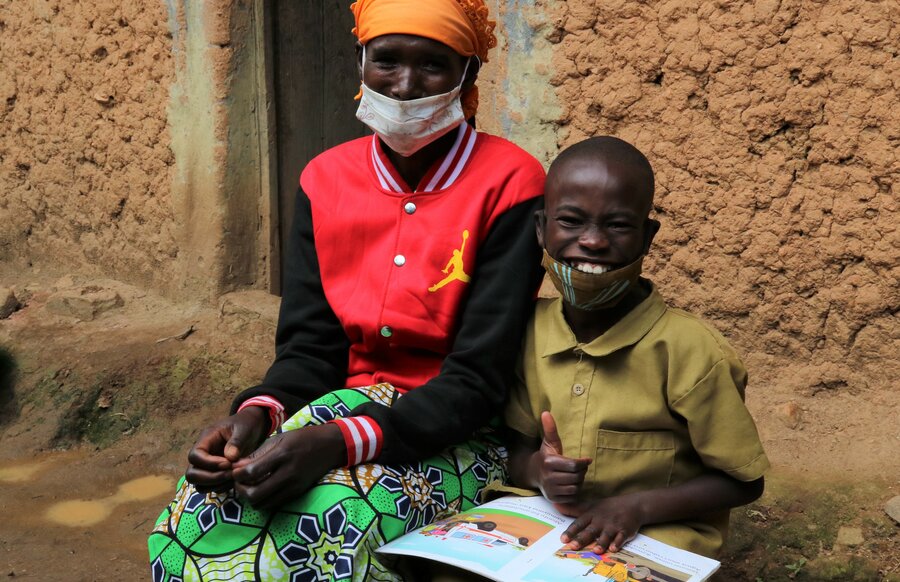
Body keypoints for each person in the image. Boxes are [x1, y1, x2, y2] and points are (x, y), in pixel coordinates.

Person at [148, 1, 546, 580]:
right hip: (337, 415)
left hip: (459, 434)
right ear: (360, 62)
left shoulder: (511, 184)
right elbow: (310, 349)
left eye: (433, 65)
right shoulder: (325, 179)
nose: (405, 85)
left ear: (469, 75)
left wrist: (337, 444)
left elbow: (478, 379)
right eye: (386, 61)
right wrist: (260, 414)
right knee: (202, 513)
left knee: (323, 528)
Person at [505, 136, 769, 559]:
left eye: (618, 225)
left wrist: (637, 507)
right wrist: (537, 470)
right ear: (541, 229)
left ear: (647, 237)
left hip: (657, 535)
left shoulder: (691, 351)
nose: (592, 241)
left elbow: (745, 480)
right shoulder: (526, 331)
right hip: (548, 524)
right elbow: (515, 448)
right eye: (571, 221)